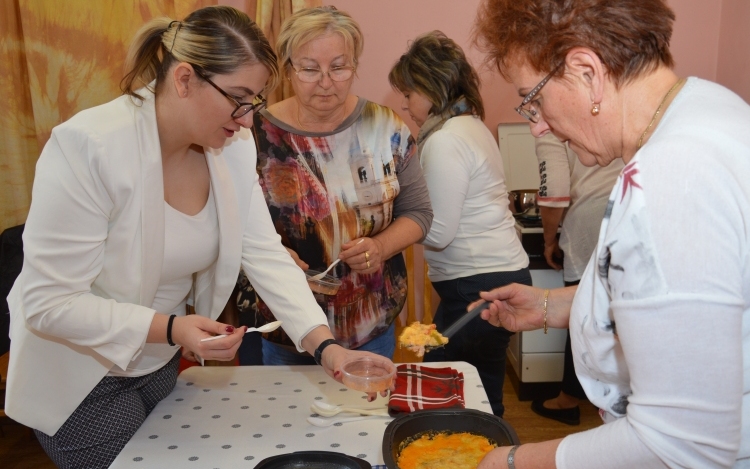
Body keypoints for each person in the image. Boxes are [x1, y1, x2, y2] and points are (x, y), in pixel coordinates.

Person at [5, 6, 394, 468]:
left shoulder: (231, 145)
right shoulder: (89, 147)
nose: (248, 120)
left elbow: (264, 253)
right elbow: (49, 303)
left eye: (254, 101)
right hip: (79, 376)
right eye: (238, 98)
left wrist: (325, 347)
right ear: (184, 79)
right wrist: (171, 327)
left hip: (159, 362)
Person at [473, 0, 750, 467]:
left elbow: (685, 444)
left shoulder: (669, 181)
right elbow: (678, 299)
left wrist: (512, 461)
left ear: (587, 72)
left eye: (534, 99)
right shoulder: (711, 106)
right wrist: (551, 304)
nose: (538, 123)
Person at [236, 6, 433, 365]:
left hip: (369, 326)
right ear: (288, 69)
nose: (325, 82)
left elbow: (419, 214)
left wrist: (379, 246)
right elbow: (226, 227)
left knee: (362, 418)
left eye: (339, 67)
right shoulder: (253, 136)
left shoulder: (385, 127)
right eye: (310, 69)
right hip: (284, 328)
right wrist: (270, 256)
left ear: (355, 65)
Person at [387, 31, 530, 418]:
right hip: (490, 278)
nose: (404, 104)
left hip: (478, 284)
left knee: (447, 390)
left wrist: (391, 220)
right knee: (482, 390)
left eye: (408, 93)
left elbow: (437, 230)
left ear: (431, 88)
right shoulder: (472, 126)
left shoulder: (446, 140)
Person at [531, 133, 622, 425]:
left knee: (583, 313)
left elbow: (554, 192)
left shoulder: (547, 127)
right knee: (619, 314)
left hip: (589, 222)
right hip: (626, 211)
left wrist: (548, 240)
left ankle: (568, 398)